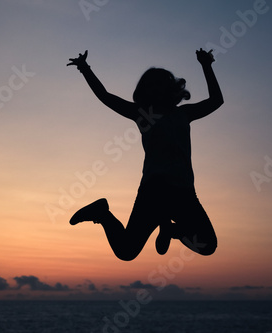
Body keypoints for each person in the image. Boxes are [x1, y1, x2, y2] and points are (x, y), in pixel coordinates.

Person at [67, 49, 223, 261]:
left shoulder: (183, 114)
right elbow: (106, 97)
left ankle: (170, 231)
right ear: (147, 91)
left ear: (171, 90)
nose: (158, 90)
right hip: (154, 190)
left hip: (183, 192)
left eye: (163, 85)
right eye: (154, 86)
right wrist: (85, 69)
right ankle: (102, 214)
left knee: (207, 245)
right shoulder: (142, 114)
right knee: (126, 251)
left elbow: (216, 100)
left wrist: (207, 65)